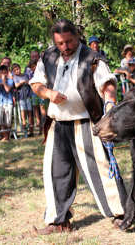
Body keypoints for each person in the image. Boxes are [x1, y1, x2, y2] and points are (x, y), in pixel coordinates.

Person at [29, 19, 127, 235]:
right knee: (55, 173)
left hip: (86, 123)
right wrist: (48, 94)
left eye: (69, 41)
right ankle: (59, 222)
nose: (65, 47)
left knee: (101, 169)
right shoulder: (48, 56)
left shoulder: (92, 59)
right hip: (58, 124)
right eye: (60, 43)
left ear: (77, 36)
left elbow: (107, 84)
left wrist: (110, 103)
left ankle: (122, 214)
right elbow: (36, 84)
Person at [25, 59, 46, 135]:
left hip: (42, 91)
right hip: (34, 92)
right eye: (31, 68)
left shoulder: (41, 71)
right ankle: (39, 126)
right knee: (35, 108)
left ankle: (44, 128)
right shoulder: (32, 73)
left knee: (43, 110)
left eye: (33, 67)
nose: (32, 69)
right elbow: (28, 81)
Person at [12, 63, 34, 136]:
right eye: (15, 70)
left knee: (30, 113)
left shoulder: (25, 75)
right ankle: (25, 132)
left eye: (18, 69)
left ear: (20, 68)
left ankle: (31, 131)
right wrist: (22, 82)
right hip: (21, 97)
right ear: (13, 72)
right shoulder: (15, 77)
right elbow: (16, 85)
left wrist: (27, 82)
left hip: (28, 96)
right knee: (23, 114)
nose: (17, 71)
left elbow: (30, 83)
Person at [0, 65, 14, 141]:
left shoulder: (10, 81)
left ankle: (7, 137)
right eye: (2, 73)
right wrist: (2, 81)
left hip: (8, 102)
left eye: (5, 73)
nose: (3, 75)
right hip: (0, 102)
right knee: (0, 120)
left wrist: (3, 81)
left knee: (8, 121)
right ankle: (5, 137)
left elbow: (7, 89)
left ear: (7, 73)